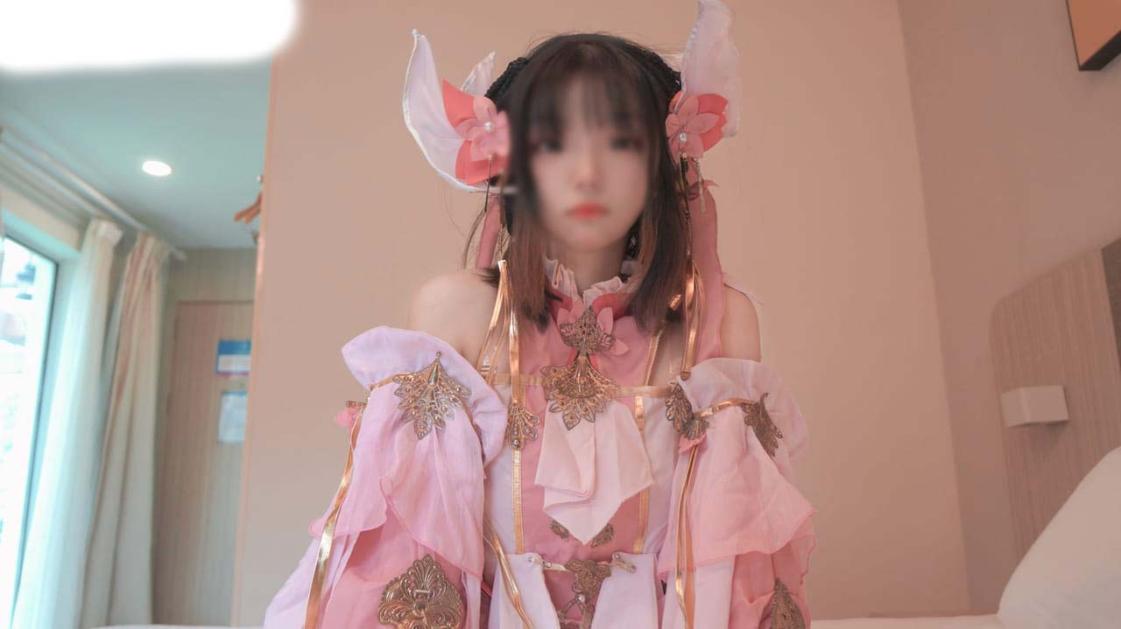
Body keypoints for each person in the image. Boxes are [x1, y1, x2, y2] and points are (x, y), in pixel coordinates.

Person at [263, 1, 815, 627]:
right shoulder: (458, 314)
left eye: (621, 142)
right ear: (512, 162)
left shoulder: (715, 328)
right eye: (553, 143)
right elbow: (414, 556)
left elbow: (731, 574)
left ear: (663, 162)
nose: (588, 173)